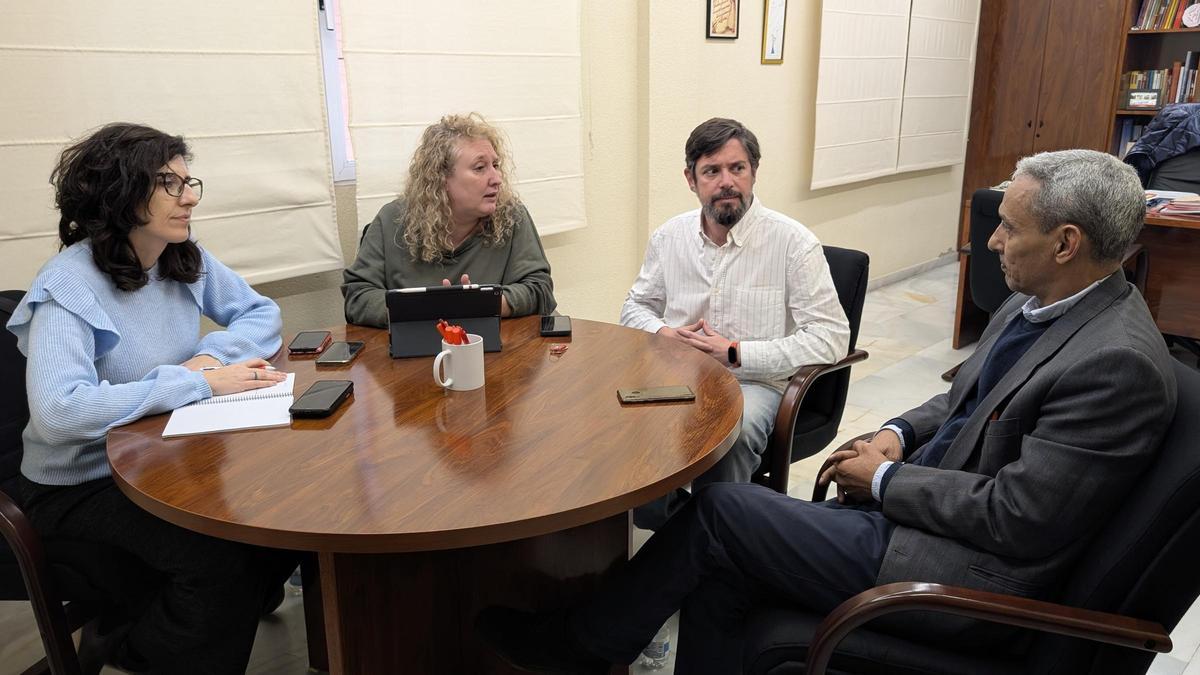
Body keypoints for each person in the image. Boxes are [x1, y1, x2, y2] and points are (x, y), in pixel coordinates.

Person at [476, 148, 1178, 673]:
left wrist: (883, 482)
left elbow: (1018, 517)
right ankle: (600, 643)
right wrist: (898, 432)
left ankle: (578, 647)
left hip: (958, 576)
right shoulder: (1042, 302)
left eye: (1009, 228)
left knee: (723, 513)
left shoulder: (1115, 364)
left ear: (1066, 243)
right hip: (916, 519)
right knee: (723, 558)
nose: (991, 242)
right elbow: (964, 397)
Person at [7, 123, 298, 674]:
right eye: (169, 183)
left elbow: (262, 313)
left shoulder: (177, 255)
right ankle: (132, 649)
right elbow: (59, 411)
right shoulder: (67, 288)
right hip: (82, 481)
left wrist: (209, 360)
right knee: (220, 556)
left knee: (282, 508)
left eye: (190, 183)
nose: (189, 196)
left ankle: (197, 621)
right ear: (119, 191)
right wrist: (192, 382)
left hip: (163, 453)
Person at [620, 117, 850, 530]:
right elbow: (634, 307)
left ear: (753, 172)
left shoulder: (793, 243)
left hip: (756, 383)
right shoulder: (669, 238)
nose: (726, 181)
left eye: (737, 168)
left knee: (730, 435)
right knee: (622, 422)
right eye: (712, 171)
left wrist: (736, 352)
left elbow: (832, 338)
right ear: (691, 179)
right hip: (677, 373)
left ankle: (720, 545)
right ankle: (688, 531)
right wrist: (664, 333)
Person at [342, 112, 557, 326]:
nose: (497, 178)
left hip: (493, 350)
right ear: (441, 178)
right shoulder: (392, 221)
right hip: (413, 350)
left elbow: (540, 289)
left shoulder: (512, 216)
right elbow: (358, 296)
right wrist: (425, 308)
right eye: (480, 168)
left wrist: (484, 304)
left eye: (496, 165)